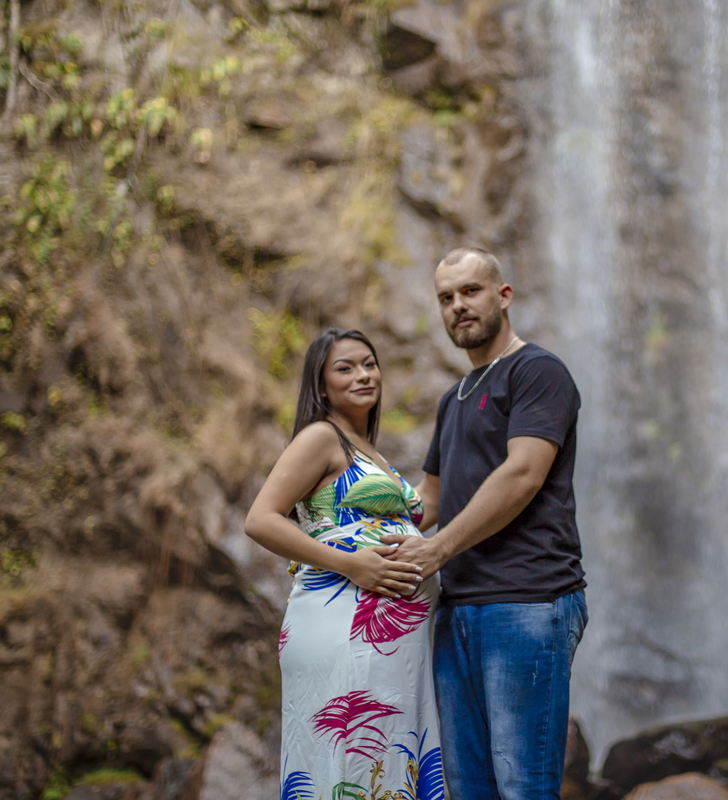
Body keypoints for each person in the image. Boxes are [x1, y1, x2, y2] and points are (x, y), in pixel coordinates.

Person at [381, 247, 588, 800]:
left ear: (504, 295)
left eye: (471, 291)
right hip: (458, 611)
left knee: (523, 788)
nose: (458, 306)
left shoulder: (537, 371)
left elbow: (523, 474)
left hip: (528, 602)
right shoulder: (453, 399)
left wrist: (436, 550)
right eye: (446, 298)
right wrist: (347, 526)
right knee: (469, 789)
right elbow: (426, 501)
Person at [244, 328, 443, 800]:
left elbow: (422, 511)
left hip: (388, 646)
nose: (363, 375)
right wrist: (351, 564)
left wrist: (456, 431)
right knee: (352, 763)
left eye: (370, 364)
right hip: (345, 630)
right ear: (321, 384)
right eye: (345, 368)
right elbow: (260, 519)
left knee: (380, 767)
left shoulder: (368, 449)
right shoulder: (321, 437)